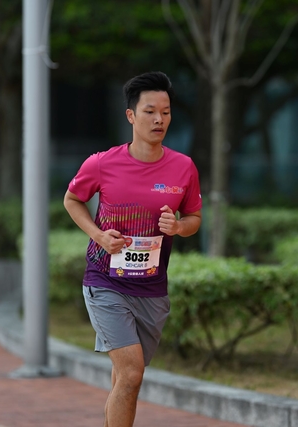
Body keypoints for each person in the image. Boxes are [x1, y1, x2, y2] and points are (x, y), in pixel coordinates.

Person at [63, 71, 202, 427]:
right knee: (131, 374)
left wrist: (179, 227)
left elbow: (194, 218)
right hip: (106, 282)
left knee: (123, 380)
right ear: (131, 115)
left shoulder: (183, 167)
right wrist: (99, 235)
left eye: (165, 112)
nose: (159, 120)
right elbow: (72, 200)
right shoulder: (101, 163)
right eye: (150, 112)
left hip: (152, 289)